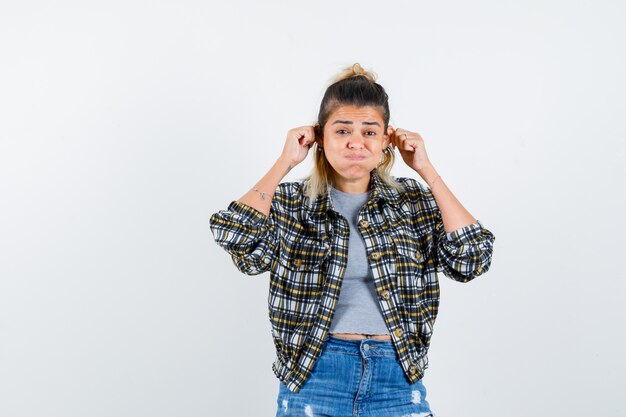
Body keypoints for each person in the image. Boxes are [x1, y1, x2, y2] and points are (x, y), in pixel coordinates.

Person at [209, 63, 496, 417]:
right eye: (342, 129)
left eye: (369, 132)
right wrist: (285, 160)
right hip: (315, 376)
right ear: (320, 137)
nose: (356, 142)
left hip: (397, 377)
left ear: (386, 141)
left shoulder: (413, 203)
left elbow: (472, 257)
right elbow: (236, 235)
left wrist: (426, 169)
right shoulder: (290, 203)